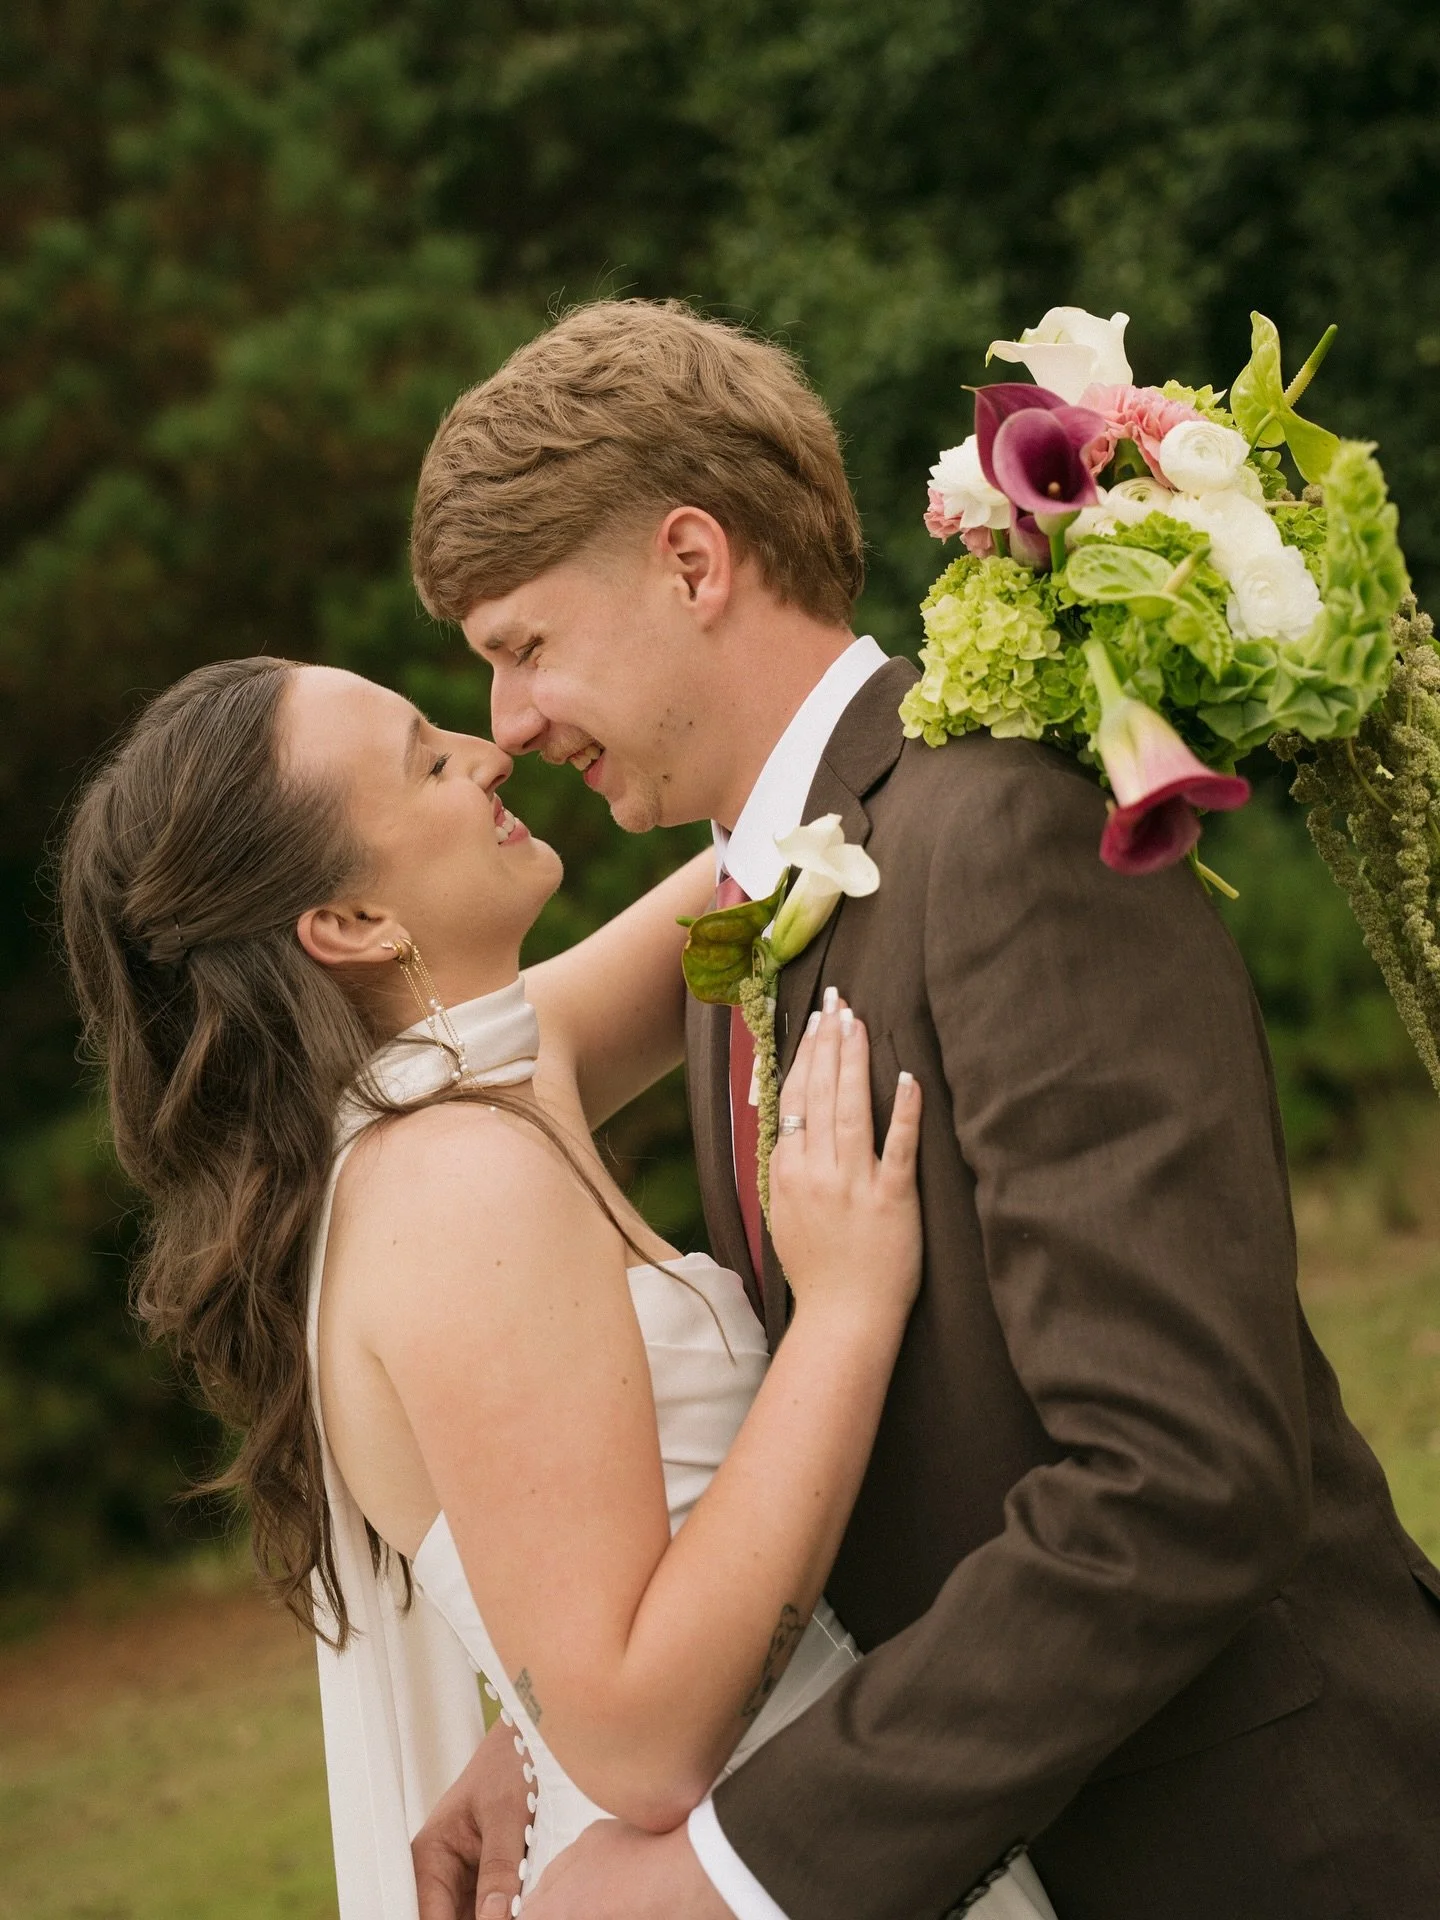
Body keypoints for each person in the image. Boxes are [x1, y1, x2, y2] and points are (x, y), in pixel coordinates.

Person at [407, 298, 1440, 1920]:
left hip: (1267, 1849)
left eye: (523, 647)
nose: (514, 727)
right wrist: (549, 1737)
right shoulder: (745, 916)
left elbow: (1182, 1478)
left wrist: (743, 1870)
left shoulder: (1013, 830)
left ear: (694, 563)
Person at [59, 656, 1056, 1918]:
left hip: (813, 1821)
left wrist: (1019, 624)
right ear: (354, 927)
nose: (490, 753)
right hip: (742, 1867)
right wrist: (845, 1312)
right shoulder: (457, 1184)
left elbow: (792, 830)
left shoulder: (472, 1088)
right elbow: (643, 1743)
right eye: (428, 761)